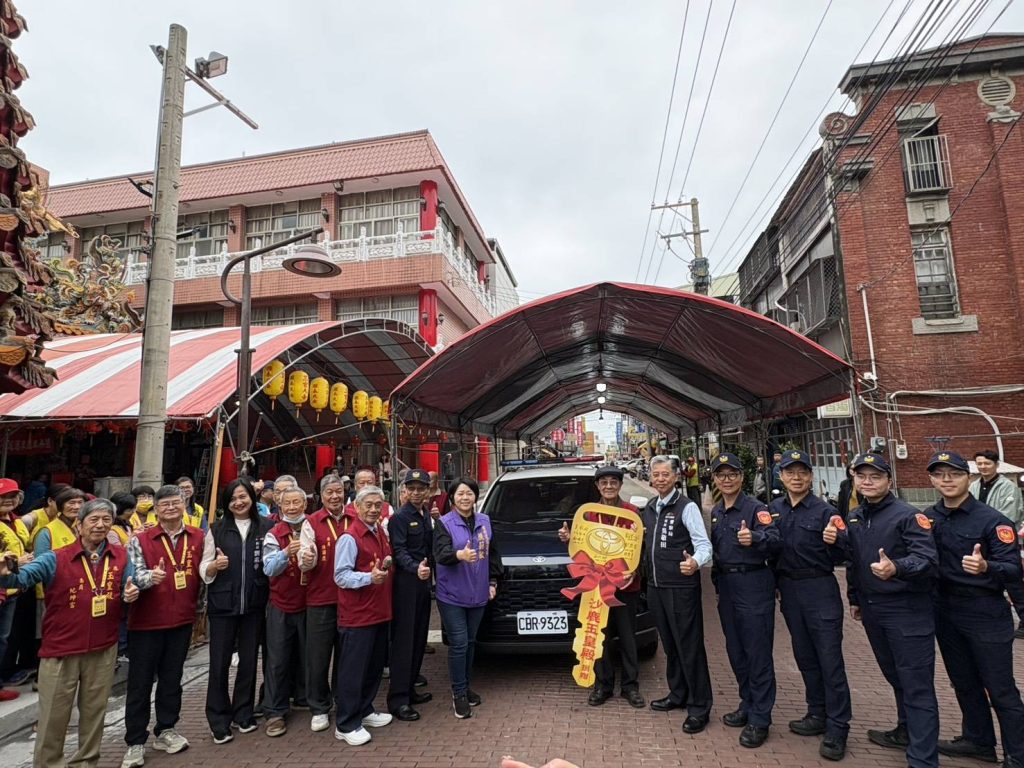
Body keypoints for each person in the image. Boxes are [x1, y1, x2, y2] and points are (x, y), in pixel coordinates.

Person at [0, 498, 139, 768]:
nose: (100, 525)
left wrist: (132, 592)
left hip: (103, 648)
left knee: (94, 714)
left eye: (106, 520)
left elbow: (129, 584)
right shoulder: (55, 558)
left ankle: (86, 763)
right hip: (61, 650)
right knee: (53, 718)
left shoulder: (121, 556)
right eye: (93, 520)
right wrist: (7, 572)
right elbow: (23, 577)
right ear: (79, 525)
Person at [919, 451, 1024, 768]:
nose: (947, 480)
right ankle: (978, 741)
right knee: (963, 682)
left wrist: (986, 566)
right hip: (945, 612)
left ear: (969, 477)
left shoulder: (993, 520)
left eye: (954, 474)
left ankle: (1017, 755)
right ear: (932, 480)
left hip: (984, 612)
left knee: (1000, 689)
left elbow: (1013, 569)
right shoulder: (927, 518)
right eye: (940, 474)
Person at [837, 452, 939, 768]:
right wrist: (855, 598)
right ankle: (905, 731)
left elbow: (927, 559)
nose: (868, 482)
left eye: (875, 476)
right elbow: (854, 561)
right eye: (862, 476)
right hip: (873, 609)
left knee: (917, 685)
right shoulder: (856, 516)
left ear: (889, 480)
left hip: (906, 610)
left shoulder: (908, 516)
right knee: (895, 676)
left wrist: (897, 567)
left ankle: (923, 759)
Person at [773, 450, 852, 761]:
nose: (796, 477)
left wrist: (837, 541)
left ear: (810, 475)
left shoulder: (826, 512)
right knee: (805, 656)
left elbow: (846, 555)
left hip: (819, 588)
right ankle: (816, 712)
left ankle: (838, 727)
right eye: (790, 472)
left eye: (802, 472)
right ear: (781, 476)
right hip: (789, 590)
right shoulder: (773, 510)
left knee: (830, 660)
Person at [121, 485, 204, 768]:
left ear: (184, 505)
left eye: (175, 503)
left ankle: (166, 729)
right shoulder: (140, 539)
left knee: (172, 679)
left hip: (181, 620)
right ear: (156, 509)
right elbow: (133, 575)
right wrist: (149, 578)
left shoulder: (198, 536)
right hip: (146, 623)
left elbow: (203, 573)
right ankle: (135, 741)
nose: (170, 508)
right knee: (140, 683)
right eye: (164, 504)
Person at [710, 452, 782, 748]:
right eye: (721, 475)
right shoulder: (717, 511)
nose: (727, 479)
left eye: (732, 474)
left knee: (757, 652)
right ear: (714, 479)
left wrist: (755, 538)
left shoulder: (756, 508)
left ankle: (760, 718)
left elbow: (775, 540)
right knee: (736, 650)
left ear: (741, 477)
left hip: (753, 584)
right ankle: (747, 703)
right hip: (727, 586)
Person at [560, 465, 646, 709]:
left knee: (628, 638)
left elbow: (641, 549)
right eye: (604, 482)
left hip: (626, 587)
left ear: (620, 485)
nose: (609, 486)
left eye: (613, 482)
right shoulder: (588, 514)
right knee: (599, 636)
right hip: (596, 588)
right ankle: (603, 685)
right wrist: (569, 539)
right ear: (597, 486)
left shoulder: (632, 514)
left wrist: (634, 571)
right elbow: (579, 548)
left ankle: (630, 686)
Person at [201, 478, 271, 743]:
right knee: (219, 663)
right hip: (223, 604)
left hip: (254, 603)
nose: (239, 502)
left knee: (249, 661)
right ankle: (218, 719)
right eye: (233, 499)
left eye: (243, 497)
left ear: (252, 498)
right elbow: (204, 568)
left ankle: (243, 712)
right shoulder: (216, 530)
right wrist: (213, 566)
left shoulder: (266, 527)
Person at [433, 477, 500, 719]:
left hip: (478, 593)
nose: (465, 498)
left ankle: (466, 686)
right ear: (452, 497)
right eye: (460, 494)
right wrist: (458, 555)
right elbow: (440, 554)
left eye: (469, 493)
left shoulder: (484, 521)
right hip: (451, 594)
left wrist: (492, 582)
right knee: (459, 643)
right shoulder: (444, 523)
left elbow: (493, 554)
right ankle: (459, 693)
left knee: (471, 642)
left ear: (475, 497)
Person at [332, 484, 394, 745]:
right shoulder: (350, 537)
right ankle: (346, 723)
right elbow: (340, 576)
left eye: (377, 505)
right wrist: (369, 577)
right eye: (368, 505)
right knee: (353, 671)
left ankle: (365, 709)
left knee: (372, 667)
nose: (373, 509)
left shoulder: (378, 530)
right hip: (357, 615)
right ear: (356, 507)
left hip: (379, 611)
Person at [298, 473, 349, 732]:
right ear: (321, 495)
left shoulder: (355, 518)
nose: (335, 496)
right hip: (321, 598)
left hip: (350, 598)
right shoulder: (311, 522)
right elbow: (304, 557)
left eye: (339, 491)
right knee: (317, 656)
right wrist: (306, 559)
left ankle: (344, 699)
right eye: (329, 492)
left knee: (346, 654)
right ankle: (318, 707)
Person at [261, 485, 313, 738]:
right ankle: (275, 710)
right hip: (281, 603)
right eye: (287, 503)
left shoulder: (313, 528)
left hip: (310, 602)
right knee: (278, 659)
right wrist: (285, 553)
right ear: (279, 506)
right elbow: (268, 569)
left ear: (305, 504)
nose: (292, 508)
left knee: (308, 654)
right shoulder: (274, 533)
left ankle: (304, 696)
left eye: (297, 503)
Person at [387, 469, 434, 721]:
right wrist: (416, 568)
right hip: (406, 585)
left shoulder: (425, 515)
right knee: (404, 643)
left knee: (418, 639)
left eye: (421, 488)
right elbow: (399, 551)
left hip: (423, 585)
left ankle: (410, 689)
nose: (416, 493)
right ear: (404, 490)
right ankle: (398, 700)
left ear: (428, 491)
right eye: (411, 488)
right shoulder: (399, 518)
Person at [970, 450, 1024, 638]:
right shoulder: (974, 486)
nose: (983, 467)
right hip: (981, 542)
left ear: (996, 465)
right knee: (986, 579)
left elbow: (1008, 516)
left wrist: (981, 527)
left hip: (1003, 542)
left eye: (987, 463)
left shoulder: (1008, 487)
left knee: (1013, 581)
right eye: (980, 464)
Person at [0, 478, 31, 701]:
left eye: (12, 496)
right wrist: (17, 562)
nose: (8, 501)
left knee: (3, 639)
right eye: (3, 497)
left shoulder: (17, 521)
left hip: (12, 590)